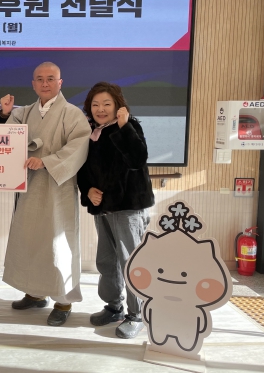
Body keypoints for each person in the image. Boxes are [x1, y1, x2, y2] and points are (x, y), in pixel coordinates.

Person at [0, 61, 90, 326]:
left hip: (57, 189)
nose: (45, 83)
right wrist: (4, 114)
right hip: (28, 187)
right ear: (33, 84)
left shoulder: (72, 114)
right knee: (29, 241)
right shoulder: (23, 112)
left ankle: (63, 301)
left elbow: (79, 147)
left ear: (60, 83)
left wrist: (46, 161)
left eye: (50, 78)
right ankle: (35, 294)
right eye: (40, 79)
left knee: (58, 243)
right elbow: (2, 140)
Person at [76, 81, 155, 339]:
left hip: (128, 207)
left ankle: (137, 314)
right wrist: (88, 190)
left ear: (118, 106)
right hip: (103, 207)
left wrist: (124, 125)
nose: (100, 109)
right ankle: (114, 306)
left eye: (107, 104)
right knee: (106, 260)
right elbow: (82, 169)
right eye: (95, 104)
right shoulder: (91, 132)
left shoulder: (130, 126)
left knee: (131, 261)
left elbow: (137, 159)